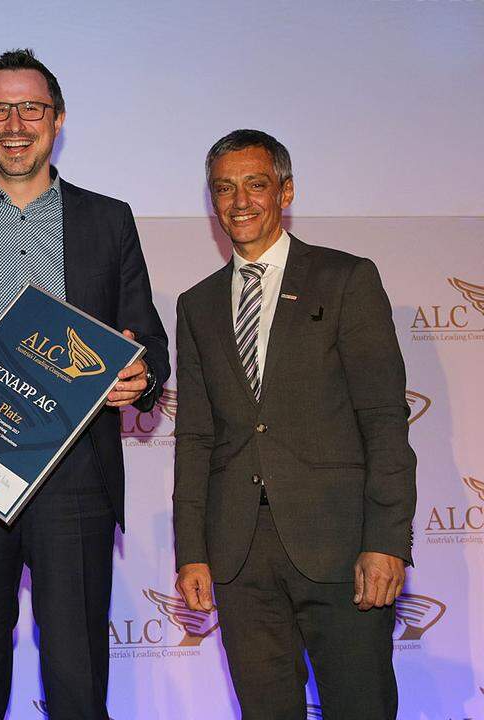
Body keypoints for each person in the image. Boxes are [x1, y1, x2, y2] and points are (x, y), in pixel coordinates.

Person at [0, 49, 170, 719]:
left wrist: (141, 374)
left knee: (77, 680)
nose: (15, 123)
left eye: (31, 108)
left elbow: (148, 339)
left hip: (75, 475)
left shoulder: (108, 219)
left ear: (58, 118)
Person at [173, 129, 417, 719]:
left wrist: (386, 542)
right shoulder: (196, 303)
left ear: (285, 191)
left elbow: (384, 418)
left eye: (255, 185)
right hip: (237, 557)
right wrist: (192, 551)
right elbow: (196, 436)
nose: (239, 202)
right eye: (223, 189)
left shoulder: (346, 278)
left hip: (340, 547)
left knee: (361, 707)